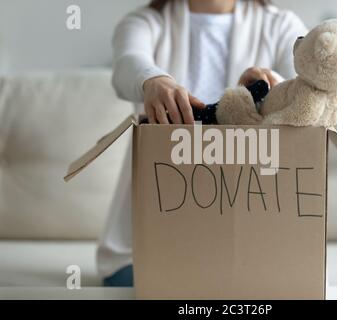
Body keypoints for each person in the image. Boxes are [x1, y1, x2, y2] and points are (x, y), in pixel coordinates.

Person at [100, 0, 308, 287]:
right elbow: (127, 64)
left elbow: (305, 86)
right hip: (146, 246)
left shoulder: (280, 24)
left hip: (249, 236)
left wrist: (270, 87)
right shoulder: (146, 22)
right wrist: (152, 80)